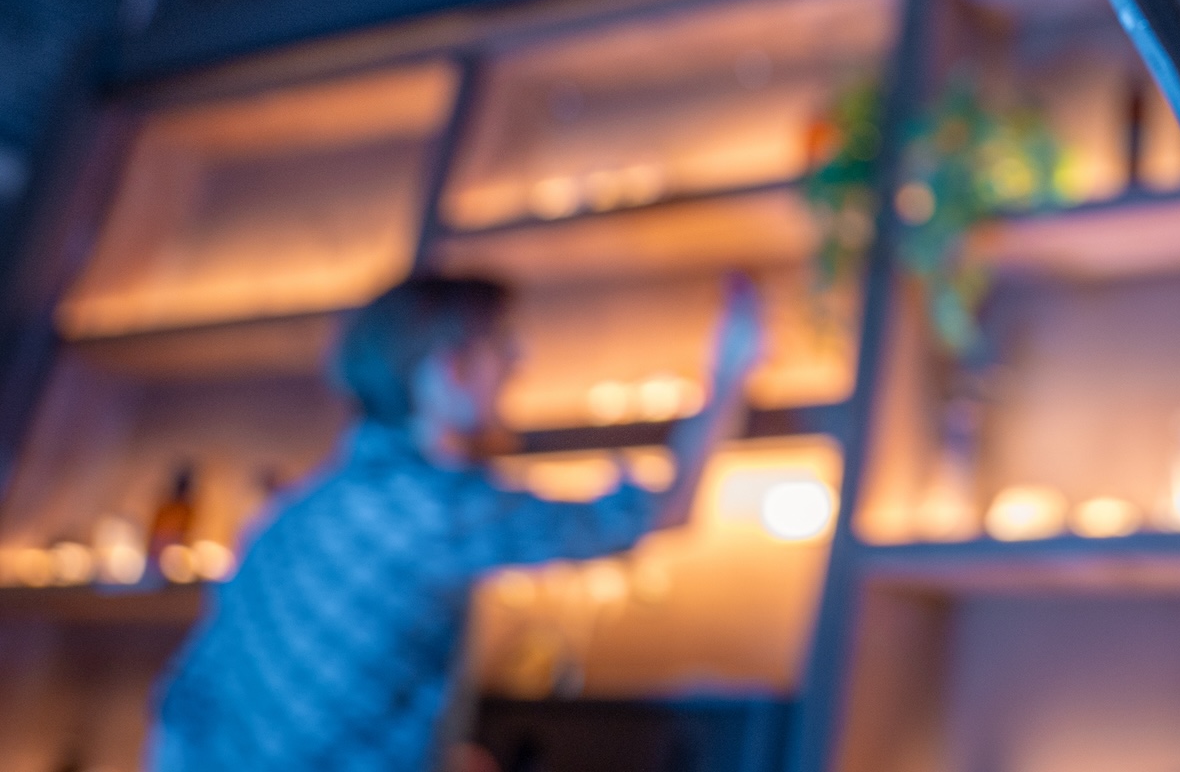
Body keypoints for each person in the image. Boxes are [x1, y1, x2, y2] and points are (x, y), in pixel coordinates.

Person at [146, 270, 763, 771]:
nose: (517, 362)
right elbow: (660, 513)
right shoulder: (436, 508)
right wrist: (732, 370)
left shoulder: (300, 508)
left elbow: (198, 702)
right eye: (499, 346)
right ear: (449, 372)